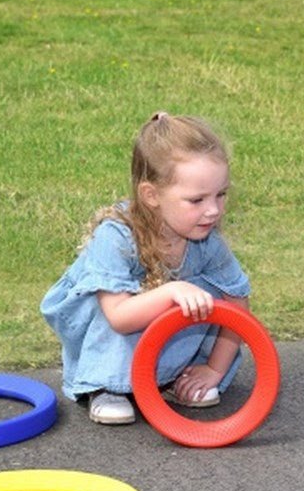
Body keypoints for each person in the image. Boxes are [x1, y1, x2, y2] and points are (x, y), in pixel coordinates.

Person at [41, 112, 251, 425]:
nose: (213, 210)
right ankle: (107, 385)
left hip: (162, 341)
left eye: (220, 195)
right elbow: (119, 317)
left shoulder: (207, 240)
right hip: (114, 325)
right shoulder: (116, 237)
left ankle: (175, 376)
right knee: (130, 299)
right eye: (197, 200)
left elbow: (237, 305)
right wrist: (171, 291)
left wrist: (214, 370)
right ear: (151, 195)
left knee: (207, 292)